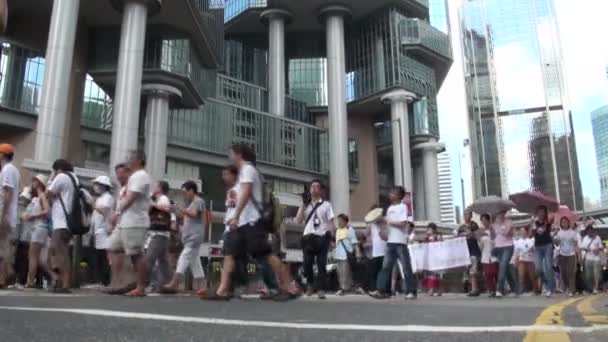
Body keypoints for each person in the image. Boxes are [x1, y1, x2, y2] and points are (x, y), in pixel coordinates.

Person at [212, 143, 291, 301]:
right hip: (243, 223)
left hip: (252, 222)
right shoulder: (243, 172)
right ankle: (223, 290)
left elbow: (247, 193)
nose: (230, 157)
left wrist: (236, 215)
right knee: (232, 255)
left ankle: (287, 286)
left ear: (239, 154)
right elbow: (243, 195)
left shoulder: (248, 170)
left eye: (231, 154)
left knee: (265, 256)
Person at [110, 150, 151, 297]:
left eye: (129, 159)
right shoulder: (134, 176)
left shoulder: (141, 176)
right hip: (125, 222)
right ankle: (120, 282)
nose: (127, 161)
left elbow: (132, 197)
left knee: (136, 254)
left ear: (139, 160)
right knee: (114, 248)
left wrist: (117, 212)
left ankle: (141, 287)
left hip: (135, 221)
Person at [370, 186, 417, 300]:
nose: (390, 194)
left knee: (406, 267)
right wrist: (383, 231)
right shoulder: (390, 208)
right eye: (390, 192)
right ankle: (380, 290)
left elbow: (402, 223)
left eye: (393, 193)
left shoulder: (403, 207)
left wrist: (388, 221)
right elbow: (388, 225)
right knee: (385, 267)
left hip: (400, 242)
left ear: (399, 196)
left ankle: (410, 291)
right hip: (391, 242)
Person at [162, 181, 207, 295]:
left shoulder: (198, 201)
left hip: (194, 236)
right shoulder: (192, 203)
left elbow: (194, 214)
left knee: (184, 257)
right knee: (195, 261)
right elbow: (185, 216)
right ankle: (202, 286)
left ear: (191, 190)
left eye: (185, 192)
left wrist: (179, 208)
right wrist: (175, 210)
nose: (184, 194)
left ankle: (174, 283)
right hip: (190, 237)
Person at [296, 179, 335, 300]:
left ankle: (321, 289)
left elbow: (330, 222)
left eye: (316, 187)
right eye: (312, 187)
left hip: (322, 236)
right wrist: (303, 204)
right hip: (308, 236)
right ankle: (310, 284)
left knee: (321, 264)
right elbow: (298, 220)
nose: (313, 189)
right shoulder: (305, 204)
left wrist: (332, 237)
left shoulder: (327, 205)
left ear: (321, 190)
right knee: (307, 264)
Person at [47, 159, 79, 293]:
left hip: (60, 222)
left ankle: (64, 284)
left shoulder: (61, 177)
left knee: (60, 254)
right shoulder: (74, 179)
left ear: (58, 168)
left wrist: (51, 178)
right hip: (68, 223)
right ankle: (60, 282)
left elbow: (49, 193)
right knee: (61, 252)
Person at [106, 163, 132, 294]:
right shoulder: (121, 190)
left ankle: (122, 283)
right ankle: (117, 283)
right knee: (115, 250)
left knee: (123, 252)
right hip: (121, 224)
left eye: (122, 173)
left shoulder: (131, 188)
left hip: (128, 223)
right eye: (117, 174)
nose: (119, 176)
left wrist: (116, 215)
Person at [0, 144, 20, 288]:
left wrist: (3, 214)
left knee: (2, 247)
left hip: (4, 212)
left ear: (2, 155)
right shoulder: (14, 170)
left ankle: (3, 278)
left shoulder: (7, 169)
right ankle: (8, 274)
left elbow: (8, 192)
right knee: (4, 247)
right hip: (9, 213)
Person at [25, 175, 50, 288]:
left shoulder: (42, 196)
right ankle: (53, 277)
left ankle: (30, 281)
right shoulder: (37, 198)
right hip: (38, 228)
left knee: (33, 256)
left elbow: (46, 211)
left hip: (40, 227)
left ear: (39, 183)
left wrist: (33, 216)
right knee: (37, 258)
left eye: (35, 180)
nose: (33, 182)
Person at [146, 181, 172, 292]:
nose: (153, 188)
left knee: (149, 258)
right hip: (160, 234)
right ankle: (163, 284)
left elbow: (166, 207)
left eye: (156, 186)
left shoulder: (163, 198)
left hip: (159, 234)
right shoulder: (157, 199)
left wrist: (153, 204)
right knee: (163, 261)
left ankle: (152, 284)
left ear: (160, 188)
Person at [89, 175, 114, 287]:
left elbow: (105, 211)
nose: (96, 186)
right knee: (99, 256)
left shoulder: (108, 197)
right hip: (98, 230)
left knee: (105, 256)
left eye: (98, 184)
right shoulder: (100, 198)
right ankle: (102, 280)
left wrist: (94, 205)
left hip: (105, 230)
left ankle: (107, 280)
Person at [492, 210, 517, 297]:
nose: (500, 215)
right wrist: (491, 230)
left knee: (502, 266)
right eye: (499, 213)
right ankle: (514, 289)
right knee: (505, 269)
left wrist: (506, 227)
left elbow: (508, 234)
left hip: (508, 246)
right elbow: (493, 237)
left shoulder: (508, 221)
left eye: (502, 213)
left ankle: (499, 289)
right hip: (498, 247)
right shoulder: (494, 224)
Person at [334, 214, 360, 296]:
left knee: (345, 272)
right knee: (339, 272)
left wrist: (358, 252)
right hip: (338, 254)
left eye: (340, 221)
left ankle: (343, 288)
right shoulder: (338, 230)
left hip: (346, 254)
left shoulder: (350, 230)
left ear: (345, 222)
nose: (338, 223)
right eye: (338, 221)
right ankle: (343, 287)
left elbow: (354, 242)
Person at [532, 205, 555, 297]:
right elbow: (531, 234)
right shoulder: (534, 222)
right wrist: (532, 226)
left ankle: (550, 289)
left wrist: (549, 216)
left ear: (545, 213)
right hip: (538, 247)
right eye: (539, 211)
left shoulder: (548, 221)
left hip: (547, 246)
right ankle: (546, 283)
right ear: (537, 213)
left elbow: (552, 218)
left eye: (543, 211)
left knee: (548, 267)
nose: (541, 213)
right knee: (538, 269)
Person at [458, 209, 481, 296]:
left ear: (471, 215)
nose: (465, 215)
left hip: (473, 250)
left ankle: (474, 289)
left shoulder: (474, 224)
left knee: (473, 270)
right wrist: (464, 235)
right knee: (466, 270)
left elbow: (476, 235)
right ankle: (470, 286)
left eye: (467, 214)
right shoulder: (461, 227)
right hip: (464, 251)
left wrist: (470, 234)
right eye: (464, 214)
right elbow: (458, 237)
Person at [365, 206, 387, 294]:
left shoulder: (385, 222)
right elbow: (365, 233)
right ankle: (375, 289)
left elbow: (386, 235)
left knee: (384, 271)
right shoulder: (372, 224)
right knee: (375, 271)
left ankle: (383, 289)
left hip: (385, 250)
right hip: (376, 251)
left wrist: (382, 224)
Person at [555, 217, 578, 297]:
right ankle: (567, 287)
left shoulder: (573, 232)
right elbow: (557, 244)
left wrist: (576, 253)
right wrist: (555, 238)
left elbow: (575, 243)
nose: (564, 223)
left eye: (565, 222)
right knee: (563, 273)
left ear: (568, 223)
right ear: (561, 224)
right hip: (562, 254)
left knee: (570, 272)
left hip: (571, 254)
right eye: (563, 222)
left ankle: (572, 290)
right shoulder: (559, 233)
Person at [513, 226, 537, 294]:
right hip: (521, 260)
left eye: (523, 231)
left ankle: (535, 289)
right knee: (521, 275)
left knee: (532, 276)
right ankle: (521, 289)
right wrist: (515, 260)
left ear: (526, 232)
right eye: (521, 231)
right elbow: (516, 252)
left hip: (530, 260)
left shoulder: (531, 240)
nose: (522, 232)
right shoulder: (518, 242)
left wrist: (531, 249)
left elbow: (533, 250)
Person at [581, 225, 604, 294]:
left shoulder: (597, 238)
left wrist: (597, 249)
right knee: (589, 275)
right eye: (588, 231)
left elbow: (601, 247)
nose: (590, 232)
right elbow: (582, 247)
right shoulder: (585, 238)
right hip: (588, 258)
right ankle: (591, 288)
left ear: (593, 231)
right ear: (587, 232)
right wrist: (586, 249)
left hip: (596, 258)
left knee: (596, 274)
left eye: (591, 231)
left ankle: (596, 288)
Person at [479, 214, 498, 297]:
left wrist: (491, 233)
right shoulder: (481, 232)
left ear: (488, 220)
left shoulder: (493, 229)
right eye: (482, 220)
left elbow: (496, 241)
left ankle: (499, 289)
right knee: (487, 274)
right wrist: (481, 237)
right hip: (485, 255)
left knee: (495, 272)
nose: (484, 222)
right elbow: (480, 246)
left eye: (485, 220)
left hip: (494, 255)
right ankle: (491, 290)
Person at [423, 223, 443, 296]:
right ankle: (432, 289)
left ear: (434, 229)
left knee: (436, 274)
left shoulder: (438, 236)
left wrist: (436, 239)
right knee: (430, 273)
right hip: (429, 256)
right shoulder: (427, 236)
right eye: (428, 229)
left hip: (436, 256)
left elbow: (441, 244)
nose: (428, 230)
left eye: (430, 229)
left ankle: (436, 290)